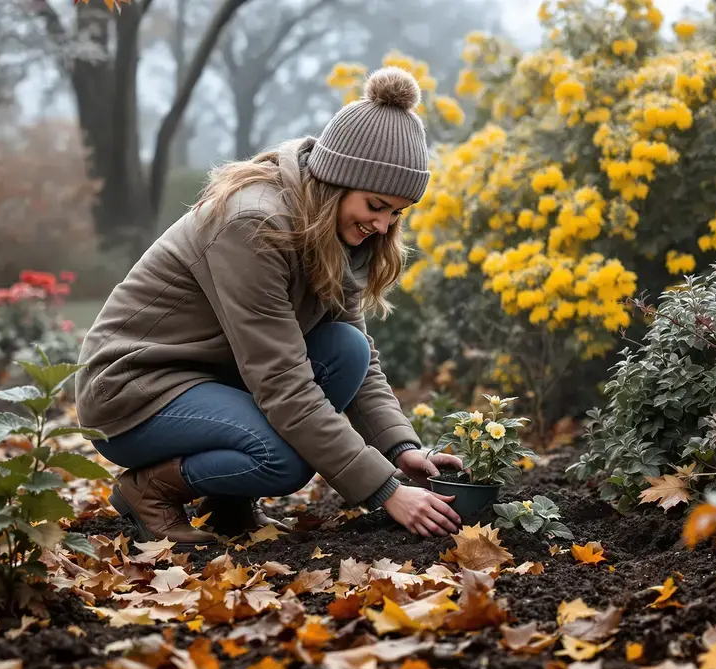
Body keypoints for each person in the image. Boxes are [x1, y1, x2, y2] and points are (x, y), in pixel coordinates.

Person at [74, 67, 464, 547]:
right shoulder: (254, 224)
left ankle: (230, 503)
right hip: (135, 390)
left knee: (347, 348)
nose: (383, 226)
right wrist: (386, 491)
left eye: (396, 214)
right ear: (338, 180)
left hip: (211, 377)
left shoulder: (338, 232)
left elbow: (359, 367)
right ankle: (147, 489)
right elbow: (282, 382)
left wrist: (402, 448)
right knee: (283, 458)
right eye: (376, 205)